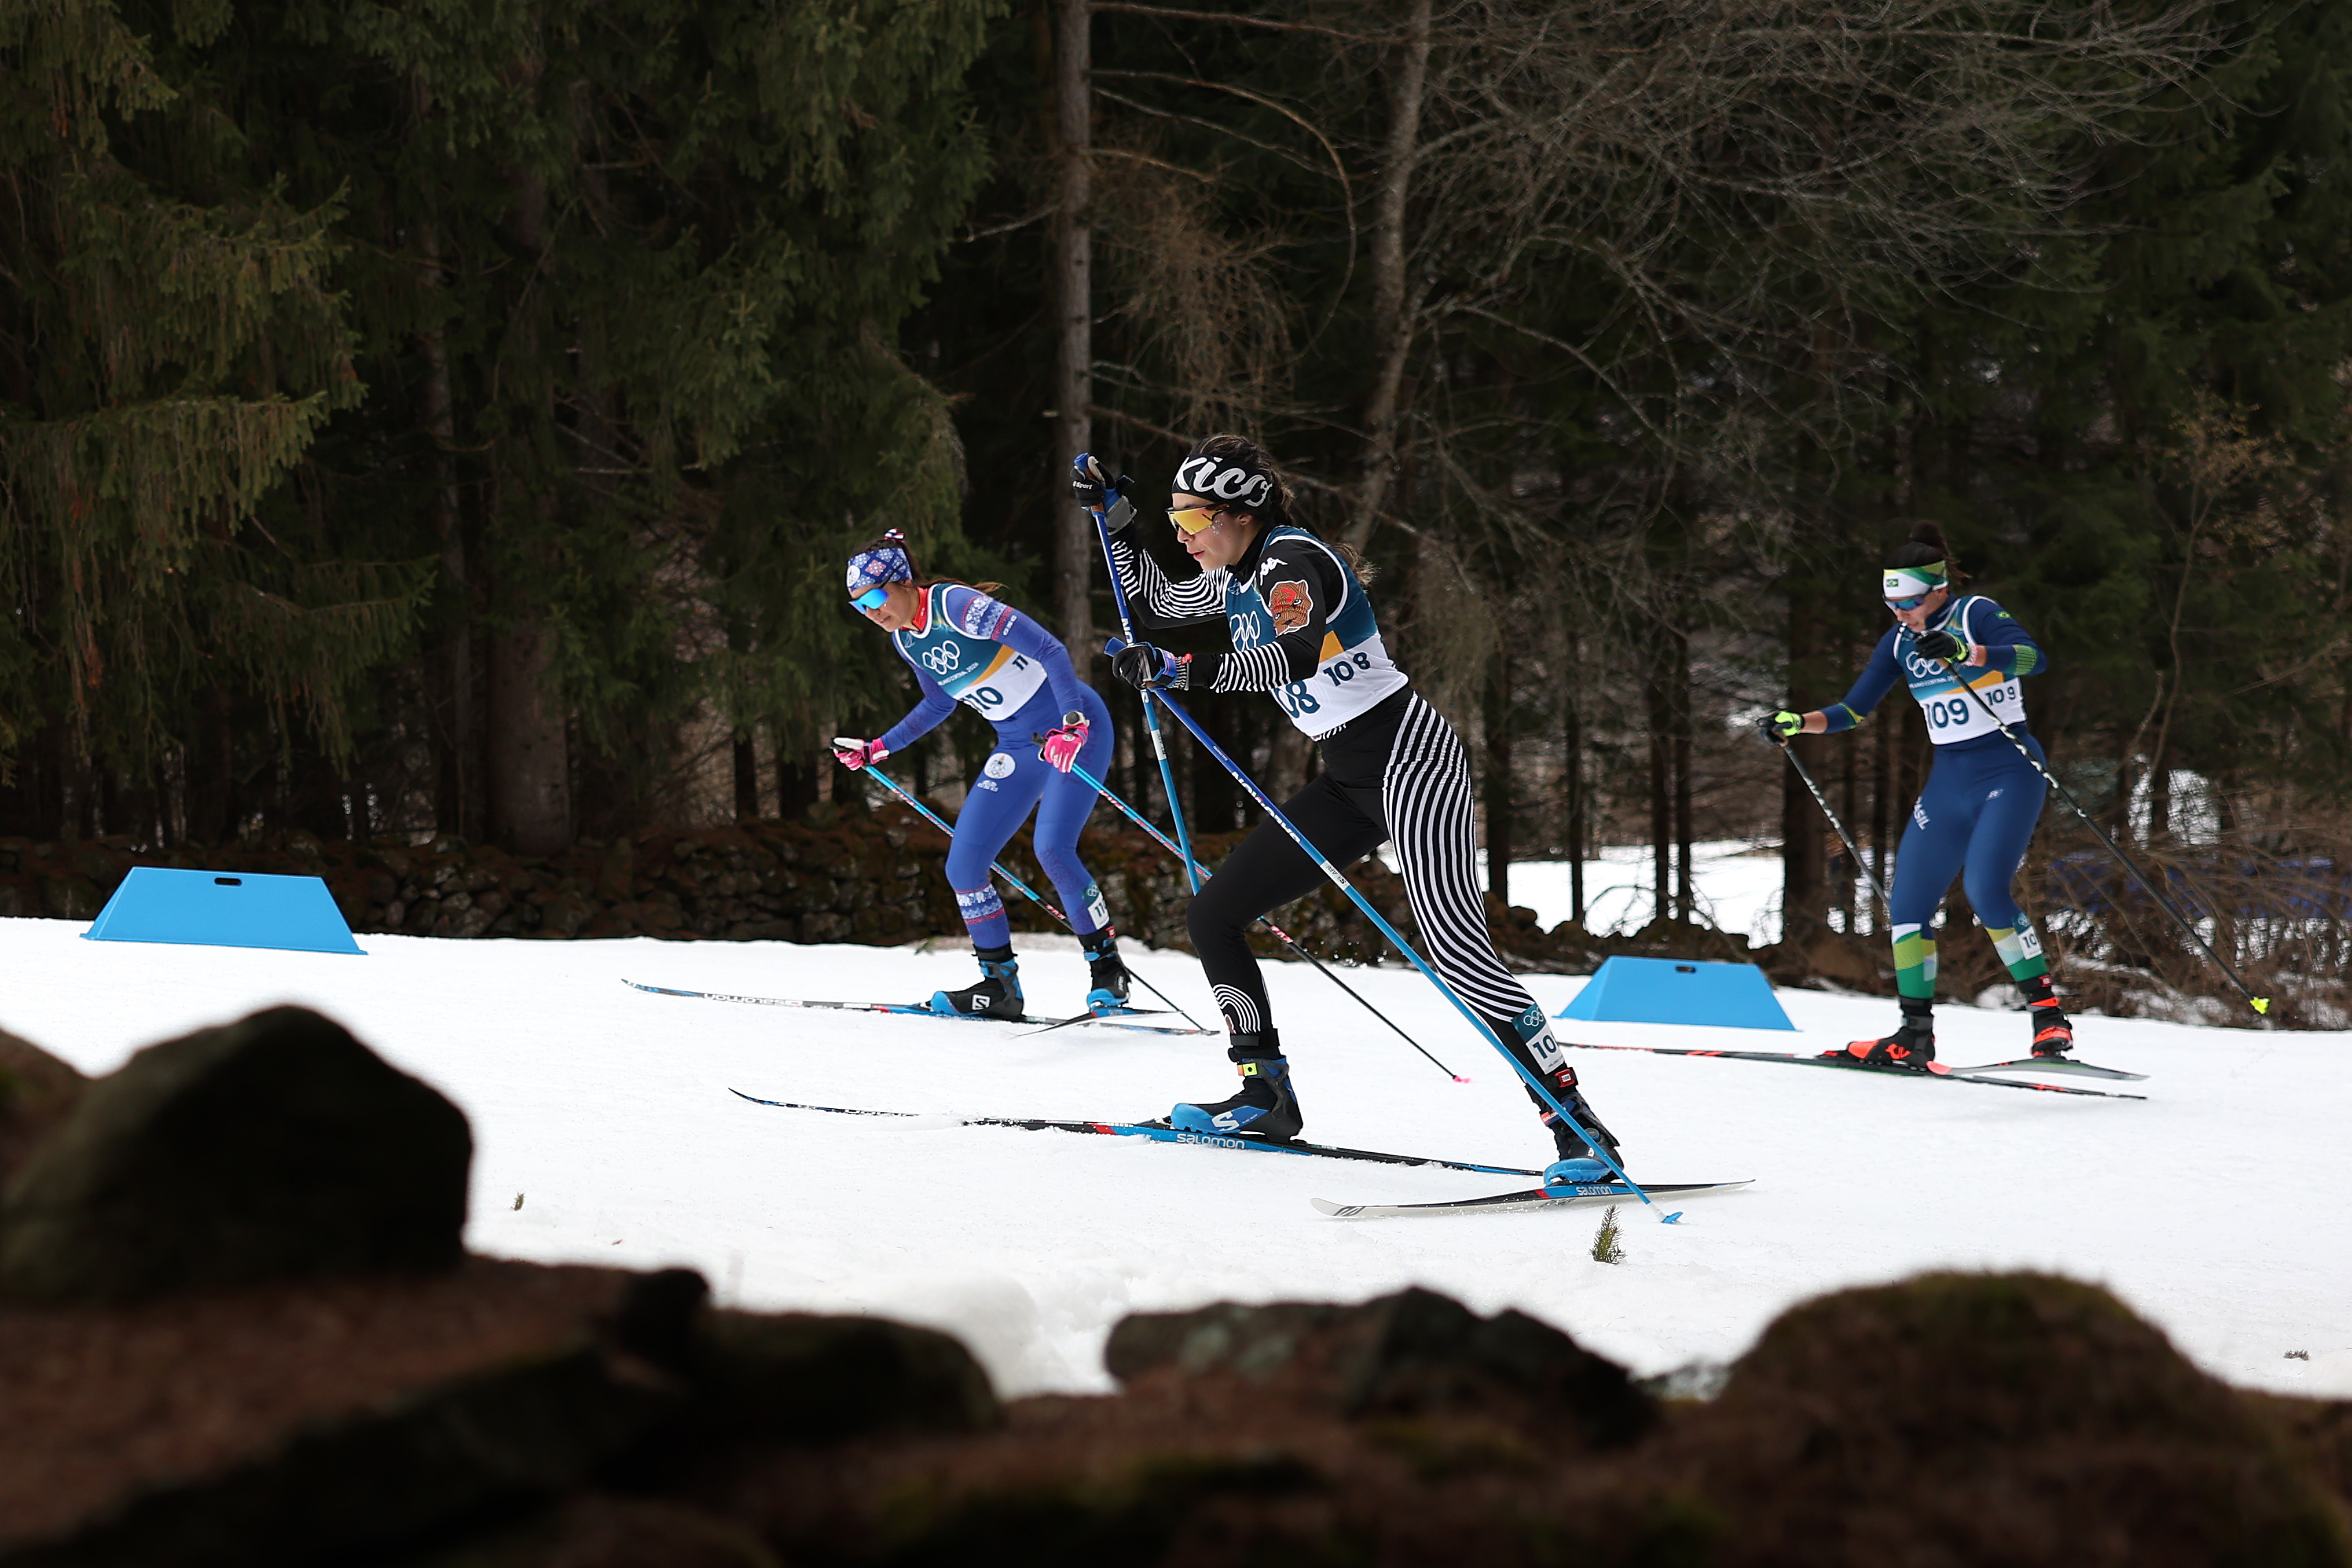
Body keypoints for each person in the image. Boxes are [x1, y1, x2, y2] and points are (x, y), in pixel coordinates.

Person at [1079, 436, 1620, 1186]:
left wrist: (1183, 670)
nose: (1182, 532)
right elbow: (1155, 603)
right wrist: (1118, 524)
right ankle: (1265, 1091)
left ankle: (1575, 1125)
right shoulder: (1234, 574)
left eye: (1192, 516)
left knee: (1457, 952)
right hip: (1346, 775)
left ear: (1240, 512)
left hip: (1411, 760)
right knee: (1214, 915)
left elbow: (1296, 652)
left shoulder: (1292, 561)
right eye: (1174, 515)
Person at [1760, 518, 2069, 1067]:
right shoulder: (1899, 641)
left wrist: (1967, 652)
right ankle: (1913, 1033)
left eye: (1908, 602)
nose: (1899, 614)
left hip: (2007, 769)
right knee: (1905, 905)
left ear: (1937, 590)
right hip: (1949, 779)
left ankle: (2048, 1018)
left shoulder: (1975, 613)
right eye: (1891, 604)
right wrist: (1795, 721)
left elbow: (2033, 658)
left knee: (1984, 890)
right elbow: (1852, 710)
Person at [833, 530, 1128, 1019]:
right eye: (858, 605)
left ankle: (1108, 972)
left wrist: (1072, 723)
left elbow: (1052, 650)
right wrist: (878, 747)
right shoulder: (906, 640)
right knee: (963, 868)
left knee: (1052, 848)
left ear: (904, 582)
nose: (872, 612)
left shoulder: (956, 606)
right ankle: (1000, 987)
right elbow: (938, 702)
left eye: (877, 597)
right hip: (1016, 745)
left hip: (1074, 727)